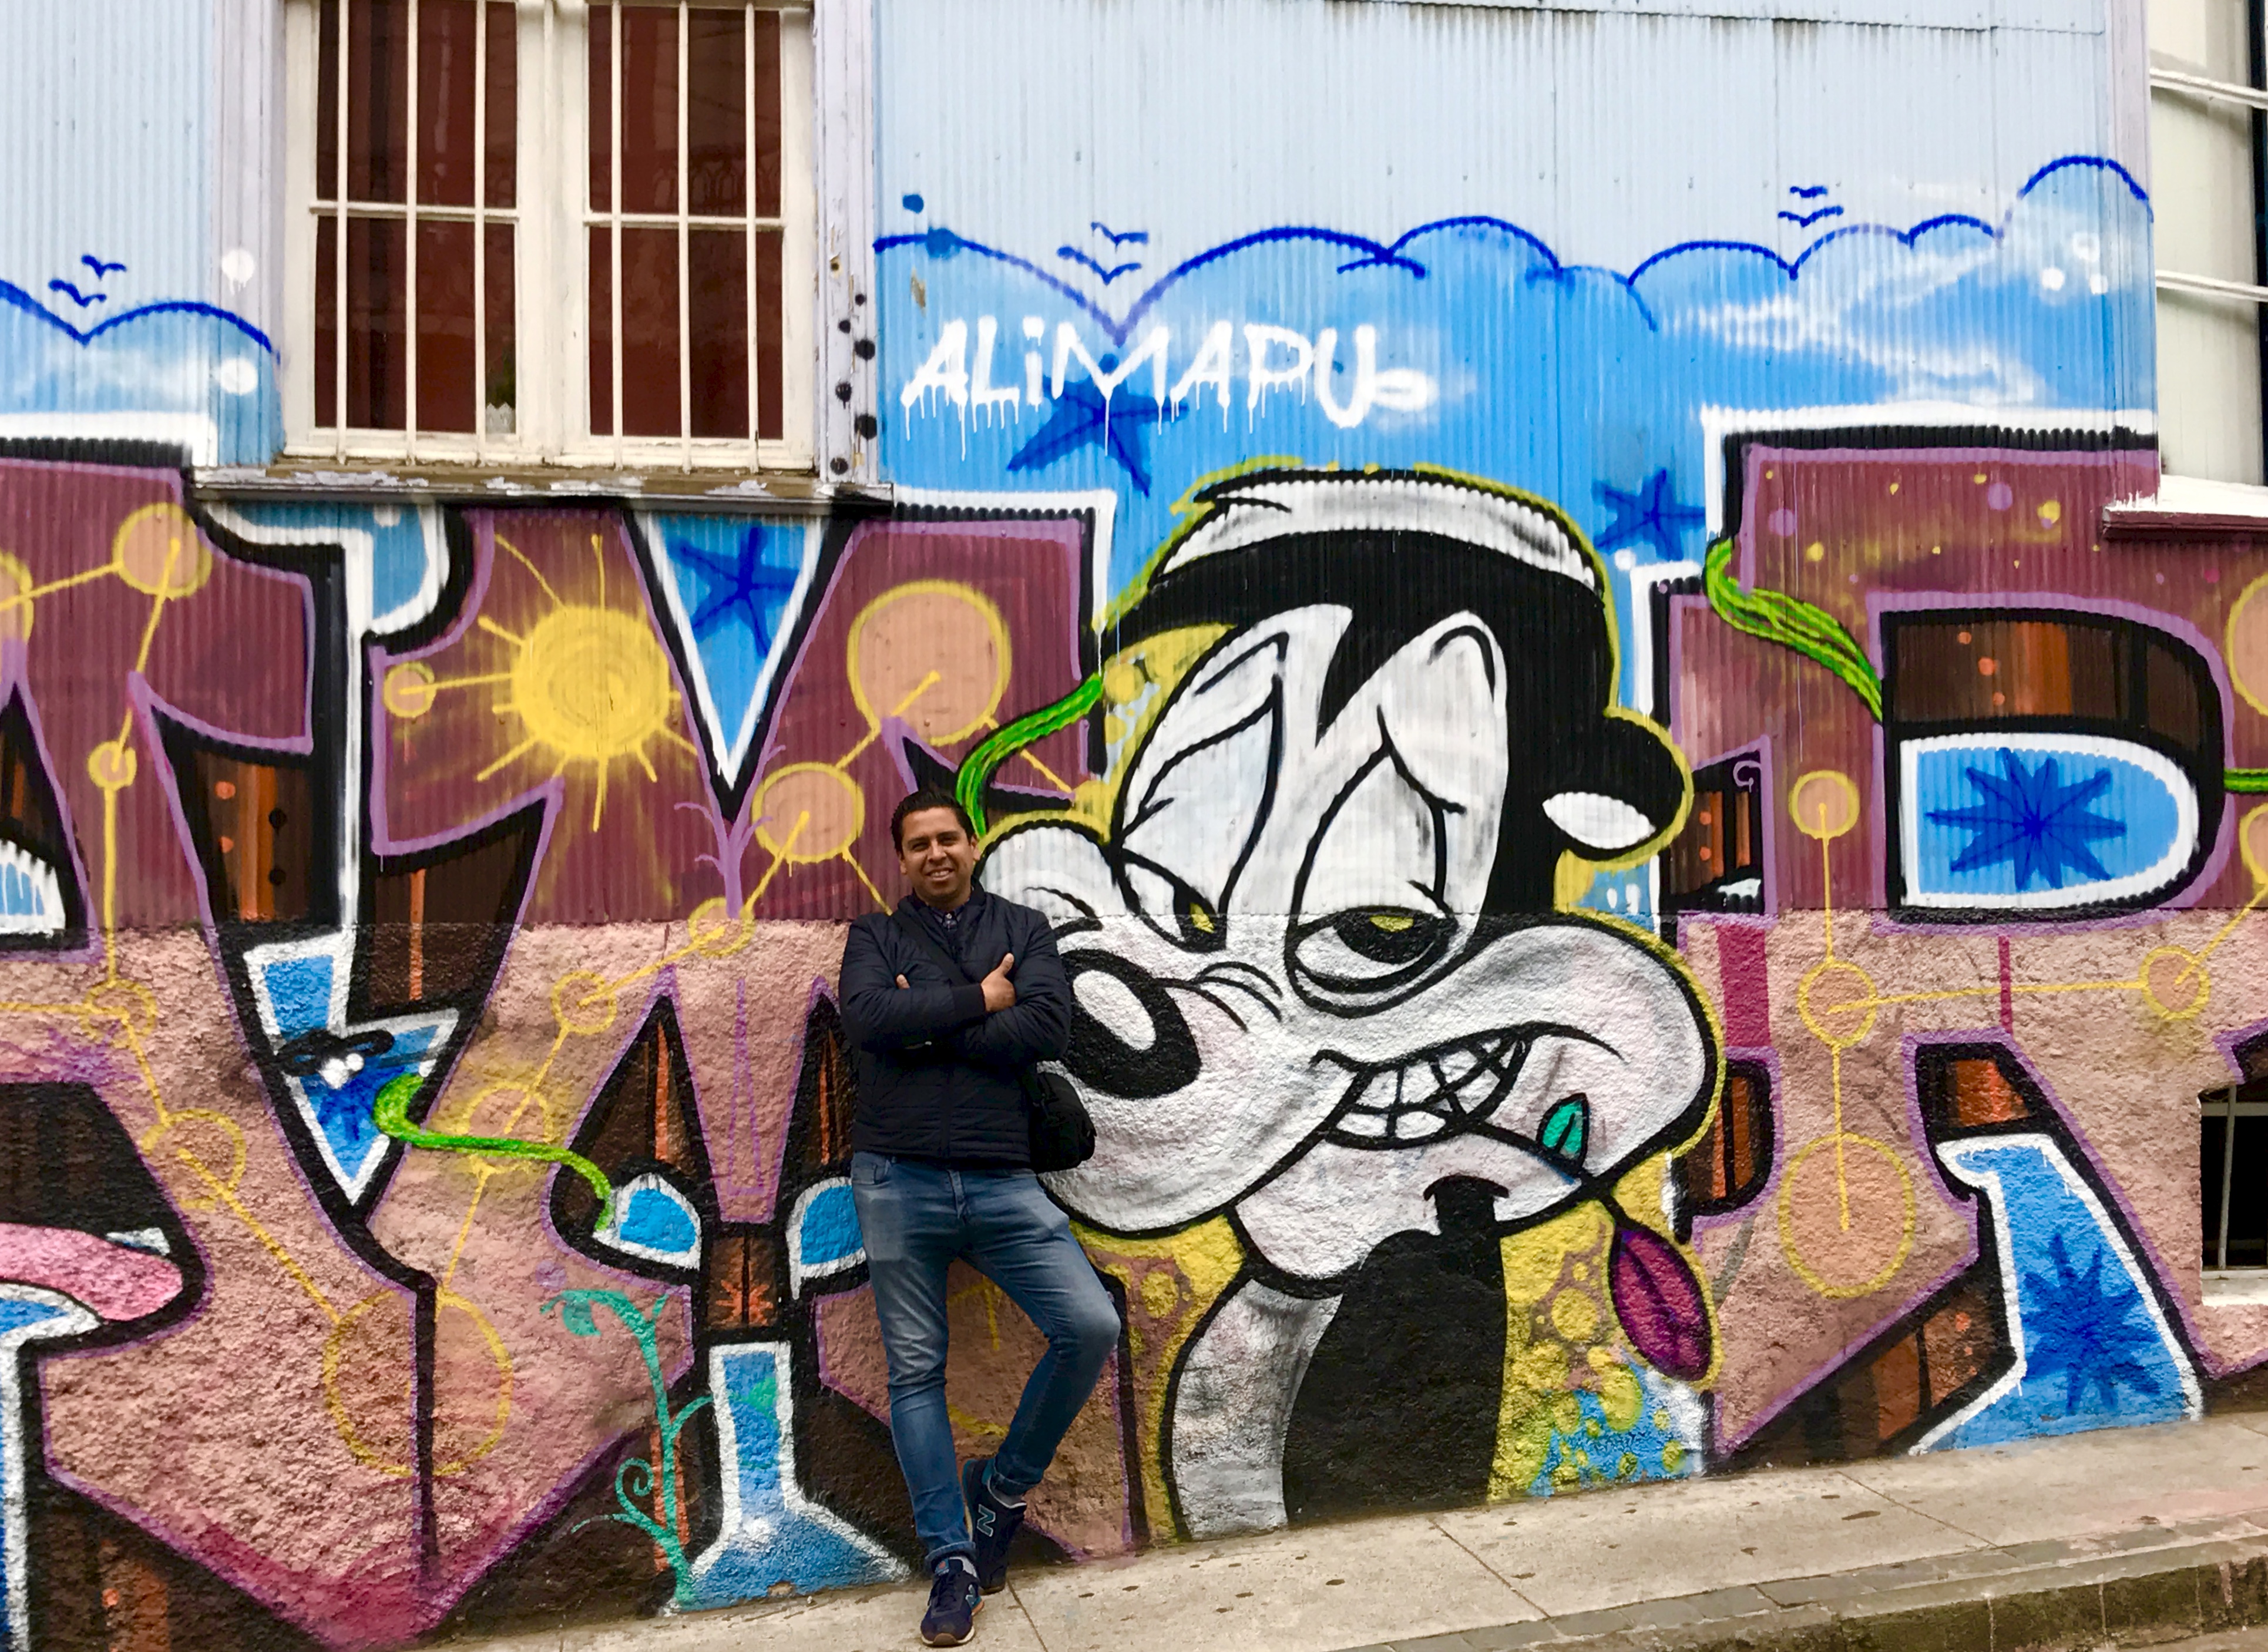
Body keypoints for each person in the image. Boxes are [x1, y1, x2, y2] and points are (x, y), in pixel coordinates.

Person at [838, 788, 1121, 1647]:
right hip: (896, 1177)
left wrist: (927, 1016)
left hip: (1003, 1178)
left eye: (947, 839)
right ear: (901, 859)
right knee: (915, 1372)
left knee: (1089, 1324)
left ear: (973, 844)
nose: (935, 854)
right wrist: (980, 999)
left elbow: (1047, 1029)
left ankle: (1000, 1489)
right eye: (918, 844)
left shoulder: (1024, 931)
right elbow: (868, 1018)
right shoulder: (873, 936)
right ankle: (952, 1561)